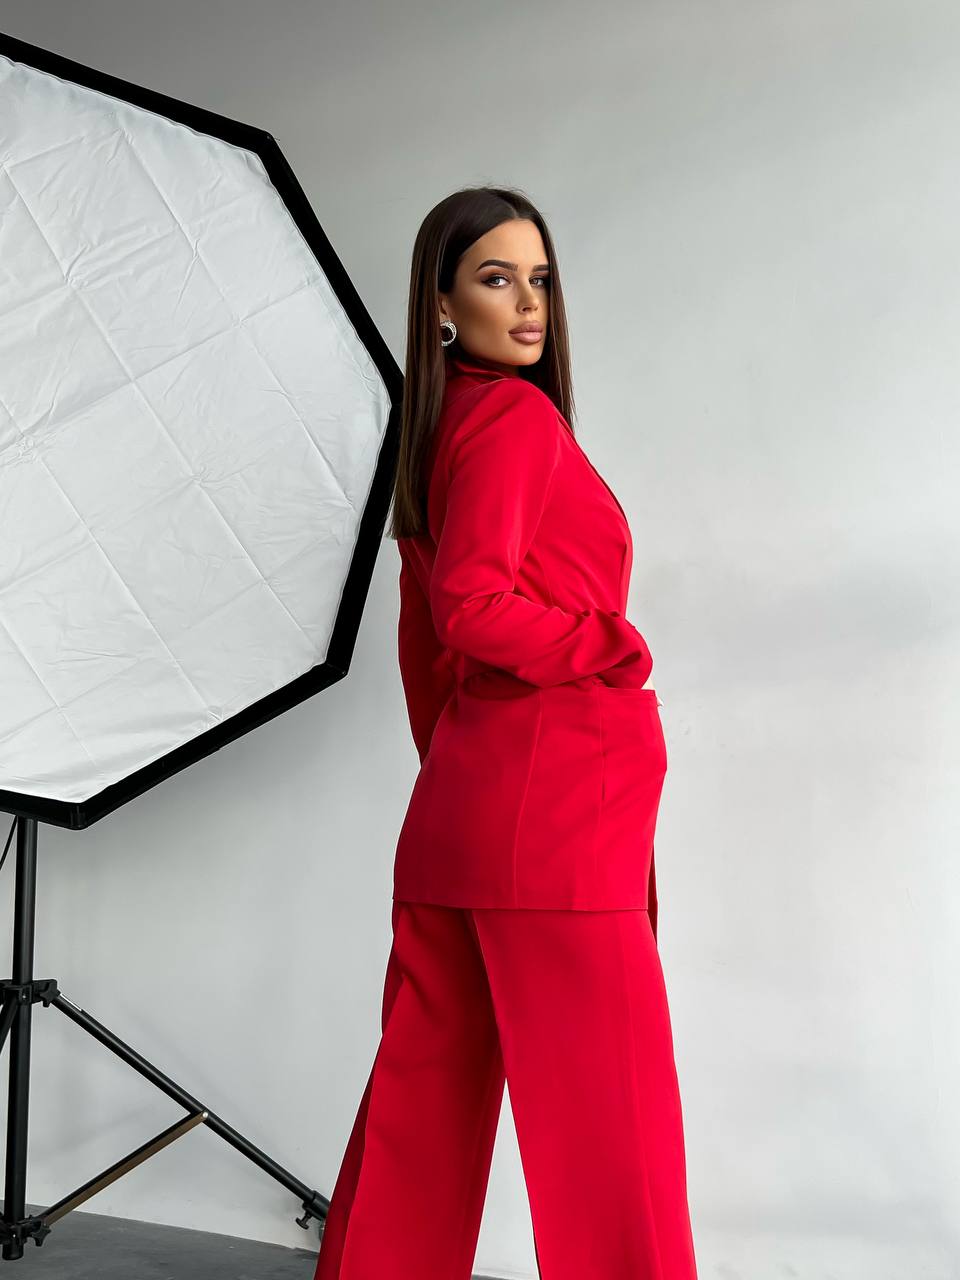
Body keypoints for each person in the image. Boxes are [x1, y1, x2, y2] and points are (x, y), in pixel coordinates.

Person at [313, 185, 698, 1279]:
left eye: (540, 277)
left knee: (417, 1115)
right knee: (611, 1121)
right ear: (441, 303)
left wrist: (464, 772)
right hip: (558, 822)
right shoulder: (516, 421)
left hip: (468, 815)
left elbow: (423, 647)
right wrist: (607, 648)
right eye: (495, 278)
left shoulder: (447, 430)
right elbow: (468, 609)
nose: (528, 303)